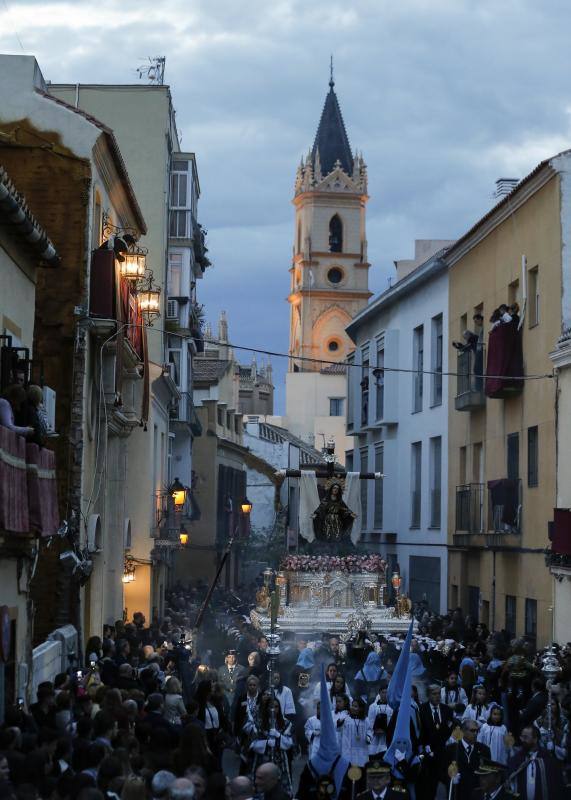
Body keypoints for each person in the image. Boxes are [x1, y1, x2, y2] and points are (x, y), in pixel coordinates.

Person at [250, 698, 293, 797]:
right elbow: (252, 744)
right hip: (262, 759)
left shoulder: (286, 723)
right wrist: (265, 743)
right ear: (267, 708)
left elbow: (289, 743)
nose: (274, 710)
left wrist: (279, 736)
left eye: (276, 707)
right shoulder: (259, 722)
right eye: (271, 707)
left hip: (280, 760)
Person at [443, 719, 491, 800]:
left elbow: (488, 772)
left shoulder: (484, 750)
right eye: (472, 731)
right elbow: (442, 771)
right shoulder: (451, 749)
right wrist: (450, 777)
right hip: (458, 793)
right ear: (463, 731)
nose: (475, 733)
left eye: (477, 731)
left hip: (477, 793)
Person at [367, 686, 393, 759]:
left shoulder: (392, 707)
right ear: (379, 693)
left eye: (386, 693)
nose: (385, 694)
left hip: (386, 737)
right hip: (375, 736)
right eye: (383, 692)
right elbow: (370, 721)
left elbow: (393, 722)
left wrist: (386, 730)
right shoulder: (372, 707)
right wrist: (374, 730)